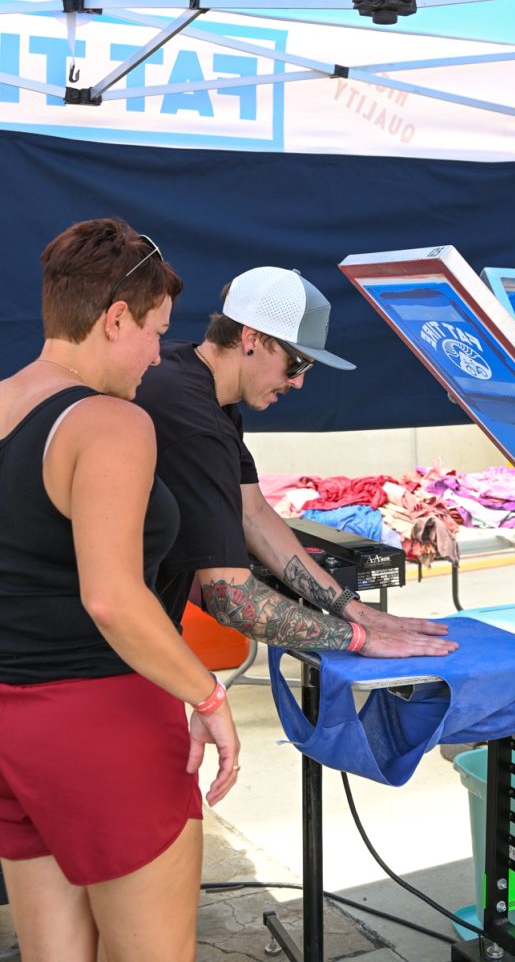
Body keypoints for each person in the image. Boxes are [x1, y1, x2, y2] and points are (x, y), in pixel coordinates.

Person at [0, 219, 240, 962]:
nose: (157, 355)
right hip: (103, 724)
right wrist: (208, 697)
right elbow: (114, 598)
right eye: (155, 332)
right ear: (114, 319)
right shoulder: (109, 422)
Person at [136, 266, 458, 658]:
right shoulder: (196, 423)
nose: (299, 382)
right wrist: (361, 639)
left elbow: (253, 514)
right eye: (297, 364)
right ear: (251, 338)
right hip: (103, 652)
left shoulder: (192, 378)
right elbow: (231, 597)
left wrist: (356, 611)